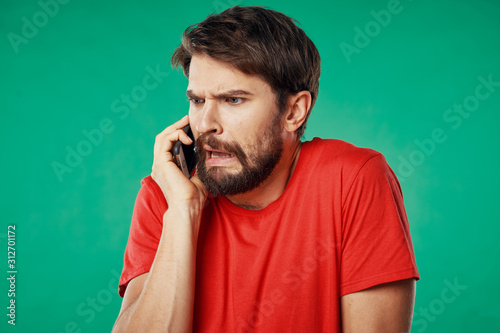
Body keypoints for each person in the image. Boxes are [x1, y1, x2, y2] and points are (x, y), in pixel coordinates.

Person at [112, 5, 420, 333]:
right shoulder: (169, 193)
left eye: (233, 100)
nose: (204, 125)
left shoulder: (353, 178)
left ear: (294, 111)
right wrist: (183, 211)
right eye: (198, 100)